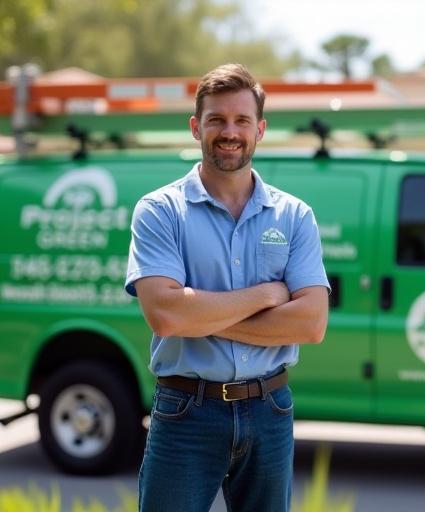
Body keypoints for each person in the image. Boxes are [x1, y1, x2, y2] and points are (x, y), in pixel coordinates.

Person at [125, 63, 330, 512]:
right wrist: (267, 295)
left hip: (269, 409)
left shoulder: (294, 216)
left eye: (241, 121)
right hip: (185, 411)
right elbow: (166, 315)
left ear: (260, 129)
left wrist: (199, 314)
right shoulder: (160, 211)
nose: (229, 131)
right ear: (196, 126)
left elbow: (312, 324)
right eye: (216, 119)